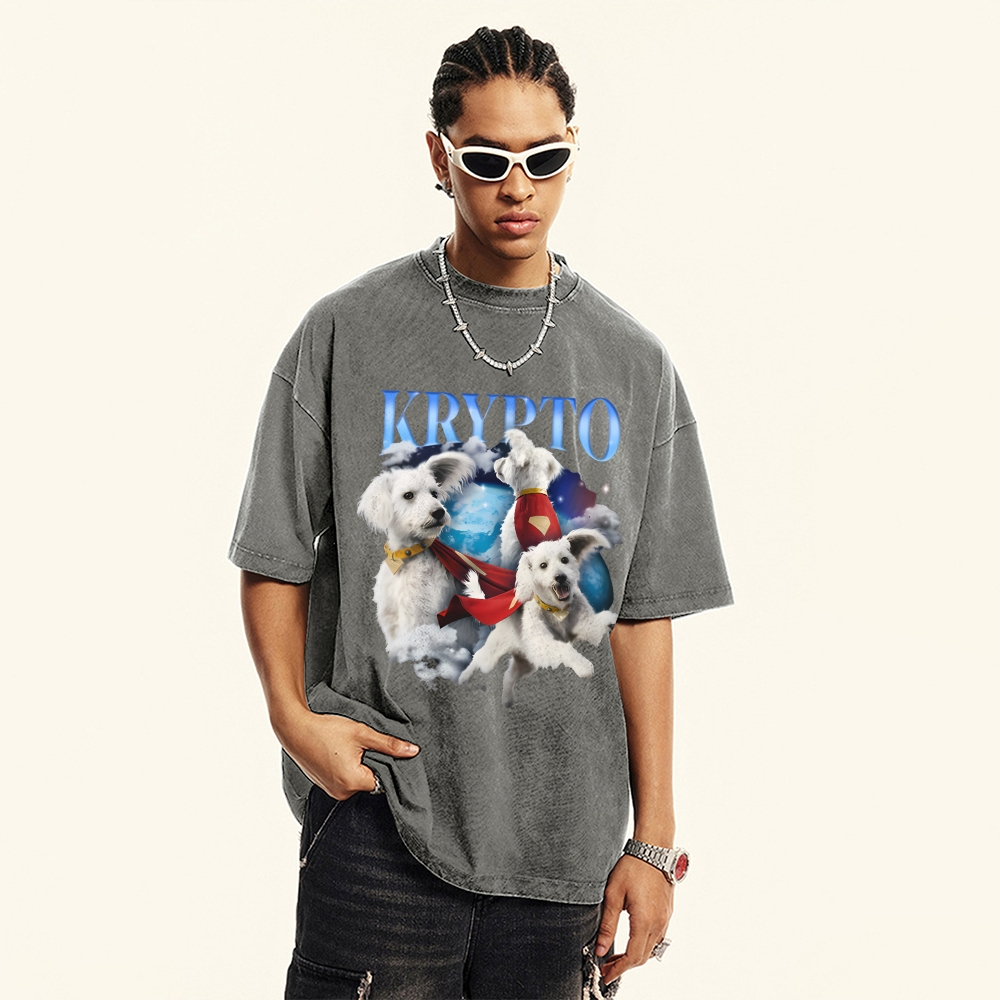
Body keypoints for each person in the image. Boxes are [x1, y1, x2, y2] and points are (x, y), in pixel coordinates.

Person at [229, 25, 732, 1000]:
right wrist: (293, 718)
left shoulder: (632, 363)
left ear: (572, 153)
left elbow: (642, 613)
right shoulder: (346, 332)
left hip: (566, 845)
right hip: (381, 820)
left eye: (543, 159)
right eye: (488, 160)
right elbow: (272, 553)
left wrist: (655, 840)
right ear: (439, 156)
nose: (518, 187)